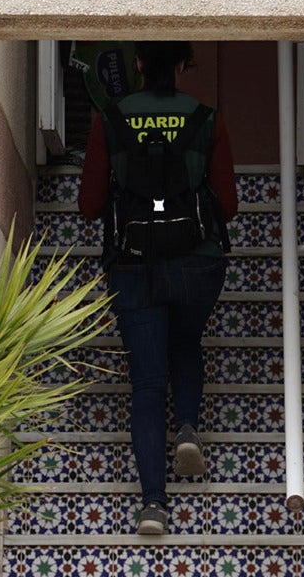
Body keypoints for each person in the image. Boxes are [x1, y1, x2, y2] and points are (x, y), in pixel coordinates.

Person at [78, 41, 238, 535]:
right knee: (186, 340)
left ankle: (153, 505)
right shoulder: (207, 118)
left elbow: (89, 205)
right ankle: (187, 426)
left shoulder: (111, 118)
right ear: (183, 66)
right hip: (197, 263)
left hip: (134, 265)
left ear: (140, 66)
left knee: (147, 384)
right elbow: (228, 205)